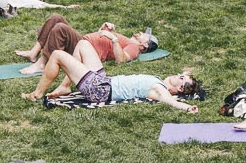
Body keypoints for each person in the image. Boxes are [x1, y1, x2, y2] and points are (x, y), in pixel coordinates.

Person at [21, 39, 201, 112]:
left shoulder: (160, 89)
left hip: (99, 90)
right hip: (103, 82)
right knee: (83, 43)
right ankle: (65, 86)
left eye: (183, 79)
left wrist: (186, 108)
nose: (181, 75)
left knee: (58, 55)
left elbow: (170, 102)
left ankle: (36, 94)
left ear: (178, 89)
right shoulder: (159, 81)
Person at [14, 15, 156, 75]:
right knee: (56, 18)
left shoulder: (134, 47)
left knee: (60, 28)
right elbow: (101, 39)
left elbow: (121, 59)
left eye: (144, 34)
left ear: (144, 44)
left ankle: (42, 64)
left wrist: (113, 39)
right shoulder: (125, 39)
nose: (140, 32)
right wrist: (103, 29)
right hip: (83, 42)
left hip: (84, 50)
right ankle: (34, 53)